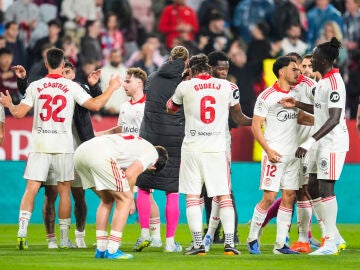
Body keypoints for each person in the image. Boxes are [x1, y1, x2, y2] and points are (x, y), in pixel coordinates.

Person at [0, 48, 121, 250]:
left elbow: (19, 114)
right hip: (64, 146)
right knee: (65, 192)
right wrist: (111, 88)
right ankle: (64, 239)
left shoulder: (36, 86)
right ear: (63, 65)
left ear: (46, 64)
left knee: (31, 190)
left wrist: (9, 105)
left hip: (40, 145)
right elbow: (95, 105)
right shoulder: (71, 87)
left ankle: (22, 232)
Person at [14, 60, 104, 248]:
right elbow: (31, 91)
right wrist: (22, 81)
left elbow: (93, 98)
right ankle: (53, 239)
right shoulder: (54, 87)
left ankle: (79, 236)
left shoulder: (78, 88)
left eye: (68, 72)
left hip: (77, 151)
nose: (65, 76)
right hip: (61, 147)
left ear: (73, 74)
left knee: (79, 196)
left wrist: (95, 87)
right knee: (51, 194)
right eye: (63, 72)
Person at [167, 53, 245, 256]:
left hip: (192, 147)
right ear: (209, 69)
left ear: (191, 70)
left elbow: (170, 108)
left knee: (193, 197)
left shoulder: (185, 86)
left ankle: (198, 245)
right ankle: (230, 244)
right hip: (217, 148)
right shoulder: (228, 87)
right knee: (224, 196)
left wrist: (185, 80)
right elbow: (236, 114)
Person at [280, 37, 348, 255]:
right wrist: (298, 103)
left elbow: (334, 118)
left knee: (326, 187)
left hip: (332, 142)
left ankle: (330, 242)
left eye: (315, 56)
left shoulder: (335, 83)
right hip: (321, 142)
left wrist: (310, 141)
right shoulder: (323, 83)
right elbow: (319, 109)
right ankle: (334, 235)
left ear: (325, 59)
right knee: (313, 185)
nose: (312, 60)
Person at [246, 56, 307, 255]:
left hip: (294, 156)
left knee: (289, 197)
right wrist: (268, 150)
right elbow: (256, 126)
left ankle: (280, 245)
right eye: (294, 69)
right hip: (275, 154)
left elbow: (304, 116)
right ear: (281, 71)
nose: (298, 72)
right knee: (269, 197)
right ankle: (252, 237)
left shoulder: (297, 94)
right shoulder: (266, 96)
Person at [96, 67, 163, 248]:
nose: (124, 85)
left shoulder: (149, 105)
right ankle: (150, 236)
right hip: (125, 154)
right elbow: (120, 129)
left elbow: (156, 131)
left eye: (128, 81)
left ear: (139, 83)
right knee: (140, 194)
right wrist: (98, 134)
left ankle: (155, 237)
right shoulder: (125, 106)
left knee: (146, 194)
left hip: (142, 155)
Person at [74, 133, 168, 259]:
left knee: (107, 200)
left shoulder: (139, 145)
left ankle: (101, 249)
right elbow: (130, 174)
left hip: (80, 153)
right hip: (99, 155)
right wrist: (130, 200)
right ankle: (113, 249)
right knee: (126, 199)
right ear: (153, 166)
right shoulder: (153, 155)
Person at [134, 46, 190, 253]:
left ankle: (144, 235)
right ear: (186, 62)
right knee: (172, 191)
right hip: (175, 139)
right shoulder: (185, 82)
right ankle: (169, 242)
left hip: (149, 137)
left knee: (143, 187)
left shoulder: (153, 77)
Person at [202, 50, 252, 251]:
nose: (223, 72)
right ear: (209, 67)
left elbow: (238, 117)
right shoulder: (198, 86)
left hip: (220, 144)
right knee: (205, 191)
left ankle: (233, 233)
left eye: (226, 69)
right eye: (219, 68)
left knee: (224, 189)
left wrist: (256, 120)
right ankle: (212, 232)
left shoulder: (231, 87)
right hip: (201, 143)